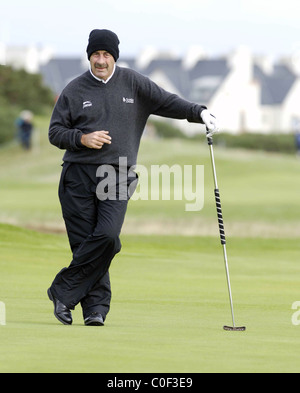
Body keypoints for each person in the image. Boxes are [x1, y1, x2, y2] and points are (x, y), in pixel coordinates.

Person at [47, 29, 219, 326]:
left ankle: (62, 291)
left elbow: (167, 102)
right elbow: (55, 132)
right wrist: (82, 138)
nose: (101, 60)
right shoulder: (74, 90)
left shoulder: (134, 83)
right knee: (85, 243)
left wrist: (199, 112)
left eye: (106, 55)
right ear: (89, 56)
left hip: (116, 175)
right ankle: (95, 310)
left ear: (115, 56)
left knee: (108, 237)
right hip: (77, 177)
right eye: (96, 55)